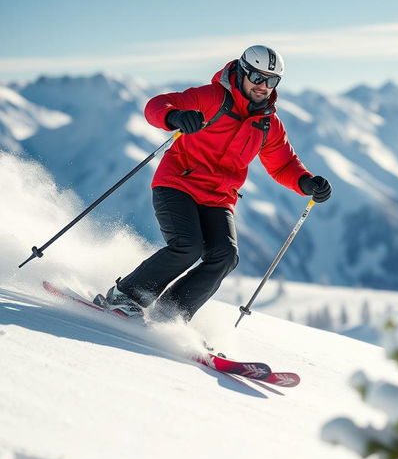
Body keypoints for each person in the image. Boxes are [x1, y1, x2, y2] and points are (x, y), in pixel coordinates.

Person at [94, 45, 331, 321]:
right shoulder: (211, 98)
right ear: (242, 72)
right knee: (187, 246)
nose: (263, 86)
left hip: (218, 198)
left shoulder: (268, 124)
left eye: (272, 80)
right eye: (257, 78)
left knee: (225, 256)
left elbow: (283, 164)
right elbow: (155, 106)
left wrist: (306, 182)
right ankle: (126, 296)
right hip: (177, 184)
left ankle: (170, 314)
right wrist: (175, 116)